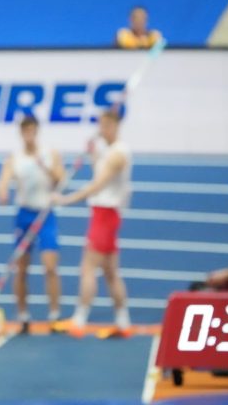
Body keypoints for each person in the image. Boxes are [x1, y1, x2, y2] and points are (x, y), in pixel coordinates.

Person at [54, 110, 133, 338]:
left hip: (105, 214)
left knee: (88, 267)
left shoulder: (118, 154)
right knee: (111, 272)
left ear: (115, 126)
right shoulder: (109, 151)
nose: (101, 130)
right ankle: (123, 322)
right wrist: (92, 154)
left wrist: (66, 199)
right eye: (100, 126)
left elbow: (97, 184)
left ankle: (79, 319)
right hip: (105, 213)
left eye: (105, 126)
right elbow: (100, 167)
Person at [0, 116, 64, 333]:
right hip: (24, 215)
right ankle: (23, 316)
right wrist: (2, 191)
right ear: (21, 133)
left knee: (50, 266)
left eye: (32, 131)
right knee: (21, 268)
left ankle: (54, 315)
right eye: (25, 131)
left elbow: (61, 179)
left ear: (37, 131)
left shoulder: (49, 153)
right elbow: (3, 181)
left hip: (45, 214)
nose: (29, 135)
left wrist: (44, 166)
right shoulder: (14, 158)